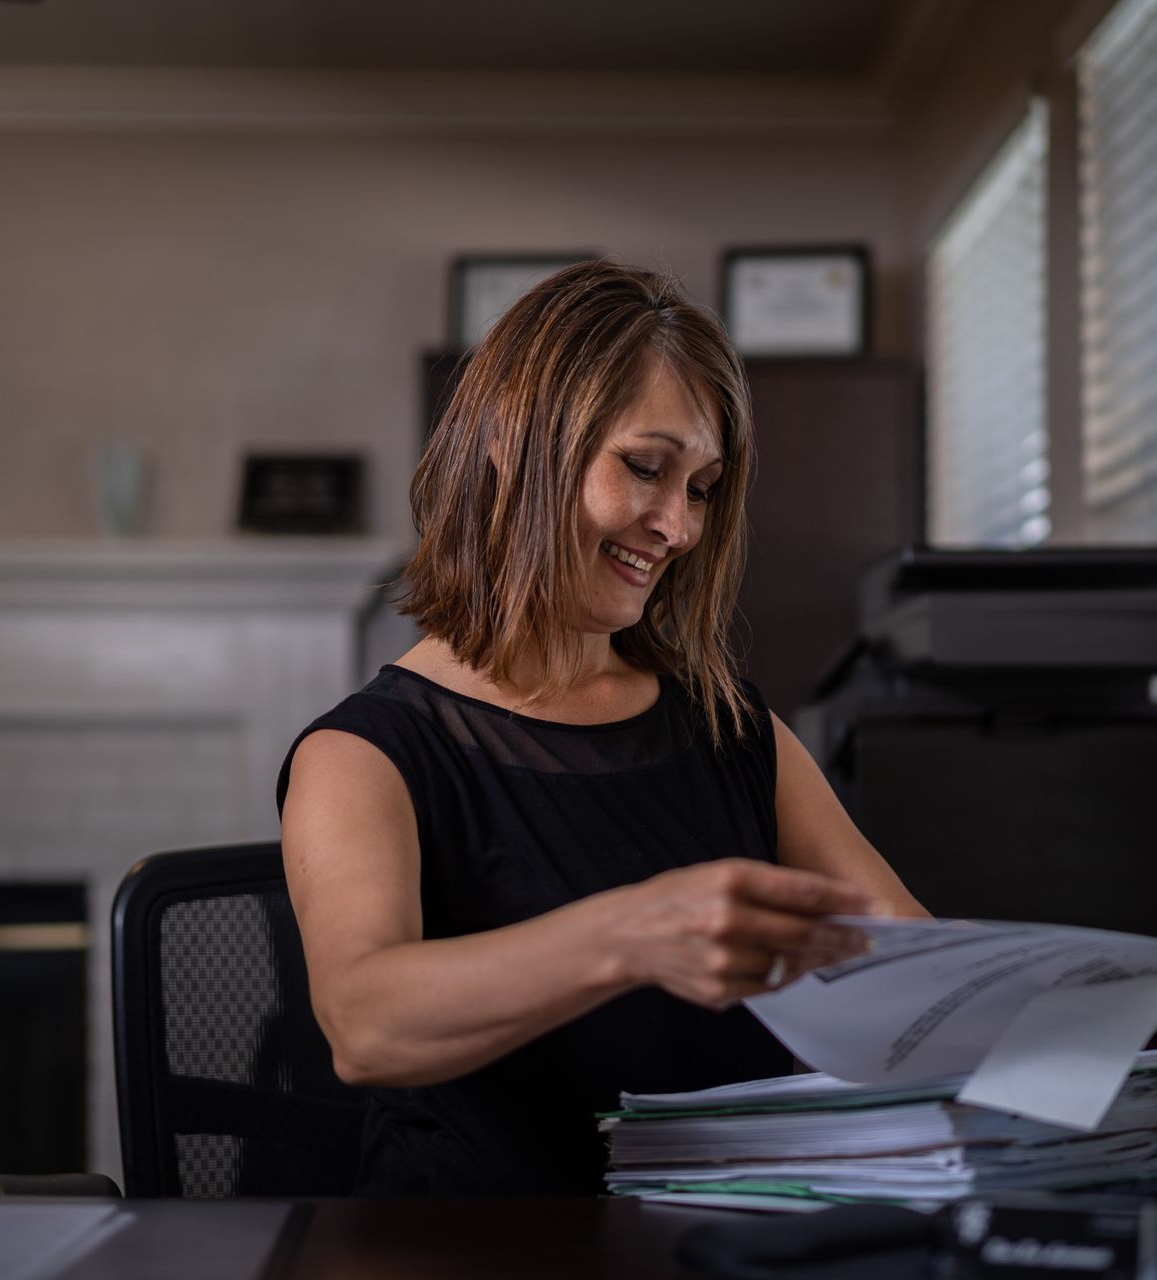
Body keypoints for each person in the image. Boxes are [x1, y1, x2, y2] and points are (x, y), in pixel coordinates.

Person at [277, 260, 926, 1197]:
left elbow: (911, 968)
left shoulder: (733, 728)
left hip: (722, 1241)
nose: (679, 526)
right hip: (479, 1256)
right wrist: (631, 934)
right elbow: (364, 1025)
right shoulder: (362, 755)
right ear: (511, 441)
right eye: (645, 468)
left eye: (701, 487)